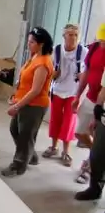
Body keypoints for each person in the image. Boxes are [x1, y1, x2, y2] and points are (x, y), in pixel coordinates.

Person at [2, 27, 55, 178]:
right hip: (24, 101)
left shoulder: (43, 63)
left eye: (32, 42)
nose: (28, 44)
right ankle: (30, 155)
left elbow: (35, 90)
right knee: (15, 130)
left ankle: (18, 165)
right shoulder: (35, 56)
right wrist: (15, 96)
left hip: (34, 105)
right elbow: (25, 80)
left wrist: (17, 106)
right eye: (29, 41)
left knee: (25, 136)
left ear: (41, 44)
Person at [42, 24, 84, 166]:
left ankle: (66, 152)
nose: (73, 38)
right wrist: (54, 74)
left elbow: (87, 71)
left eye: (75, 35)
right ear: (64, 36)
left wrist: (82, 77)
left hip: (73, 92)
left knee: (69, 122)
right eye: (70, 34)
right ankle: (54, 147)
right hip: (57, 90)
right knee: (55, 119)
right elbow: (49, 72)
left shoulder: (83, 52)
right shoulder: (56, 50)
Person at [72, 23, 105, 189]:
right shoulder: (94, 48)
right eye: (101, 40)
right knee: (80, 133)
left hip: (103, 103)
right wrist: (77, 96)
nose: (103, 44)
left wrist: (99, 109)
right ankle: (96, 157)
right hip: (91, 98)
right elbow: (86, 73)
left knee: (99, 137)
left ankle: (90, 167)